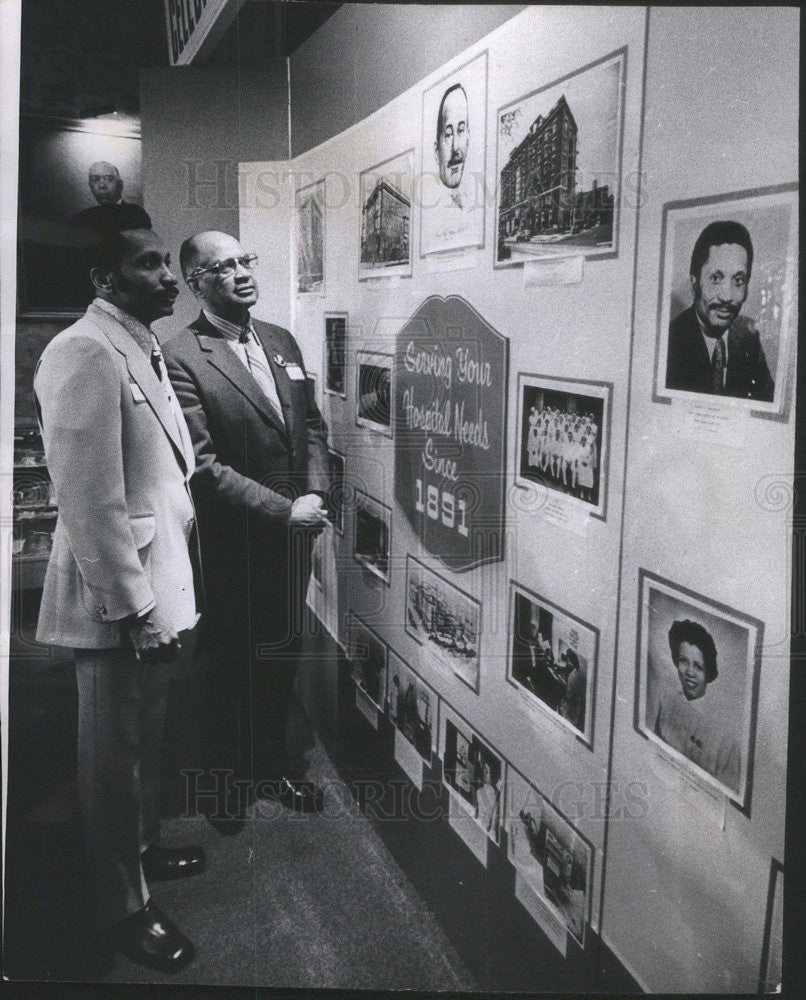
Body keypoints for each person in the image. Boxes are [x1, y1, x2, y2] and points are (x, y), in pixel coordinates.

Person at [33, 226, 204, 974]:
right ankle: (119, 908)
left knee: (141, 745)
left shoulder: (134, 340)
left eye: (166, 262)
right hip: (118, 602)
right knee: (109, 761)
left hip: (156, 587)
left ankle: (138, 855)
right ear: (105, 276)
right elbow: (88, 500)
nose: (169, 276)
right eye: (148, 263)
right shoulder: (83, 350)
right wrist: (135, 610)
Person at [163, 231, 330, 823]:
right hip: (234, 543)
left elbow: (309, 425)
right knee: (230, 661)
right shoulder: (181, 354)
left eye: (245, 260)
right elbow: (203, 468)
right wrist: (285, 510)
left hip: (293, 538)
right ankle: (224, 783)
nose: (240, 273)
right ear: (195, 282)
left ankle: (273, 769)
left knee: (281, 654)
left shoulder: (281, 340)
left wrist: (313, 491)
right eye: (222, 266)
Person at [666, 220, 774, 401]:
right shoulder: (672, 339)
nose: (727, 296)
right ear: (694, 283)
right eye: (716, 278)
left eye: (738, 280)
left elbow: (765, 401)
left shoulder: (747, 336)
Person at [651, 619, 741, 792]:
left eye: (699, 666)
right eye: (684, 661)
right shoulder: (666, 701)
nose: (690, 672)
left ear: (709, 673)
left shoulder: (726, 738)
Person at [71, 161, 152, 232]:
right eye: (95, 179)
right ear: (90, 186)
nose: (102, 185)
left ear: (120, 185)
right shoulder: (81, 219)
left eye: (109, 179)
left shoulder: (136, 215)